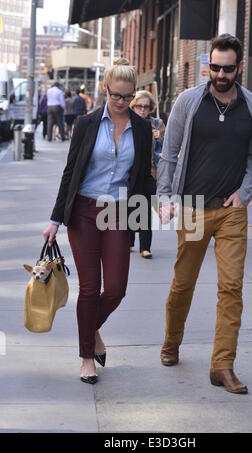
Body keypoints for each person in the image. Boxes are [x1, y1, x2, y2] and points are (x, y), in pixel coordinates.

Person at [157, 34, 252, 394]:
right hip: (191, 208)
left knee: (231, 287)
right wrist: (165, 197)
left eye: (227, 68)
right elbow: (169, 154)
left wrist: (246, 192)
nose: (220, 74)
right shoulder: (189, 101)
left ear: (239, 67)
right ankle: (172, 341)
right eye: (214, 67)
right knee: (183, 284)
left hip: (230, 209)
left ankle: (222, 365)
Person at [43, 58, 155, 385]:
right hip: (83, 211)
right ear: (105, 89)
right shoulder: (86, 123)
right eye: (116, 95)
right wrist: (55, 219)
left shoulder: (142, 127)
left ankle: (89, 330)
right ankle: (86, 356)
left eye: (128, 96)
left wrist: (165, 200)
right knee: (90, 289)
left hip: (119, 210)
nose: (122, 102)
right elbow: (70, 172)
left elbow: (143, 176)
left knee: (117, 289)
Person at [129, 90, 165, 258]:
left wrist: (160, 139)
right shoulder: (128, 123)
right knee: (129, 208)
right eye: (139, 106)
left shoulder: (158, 124)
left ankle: (145, 247)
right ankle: (129, 240)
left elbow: (169, 149)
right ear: (134, 106)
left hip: (151, 173)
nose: (142, 110)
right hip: (131, 173)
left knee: (145, 210)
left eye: (146, 107)